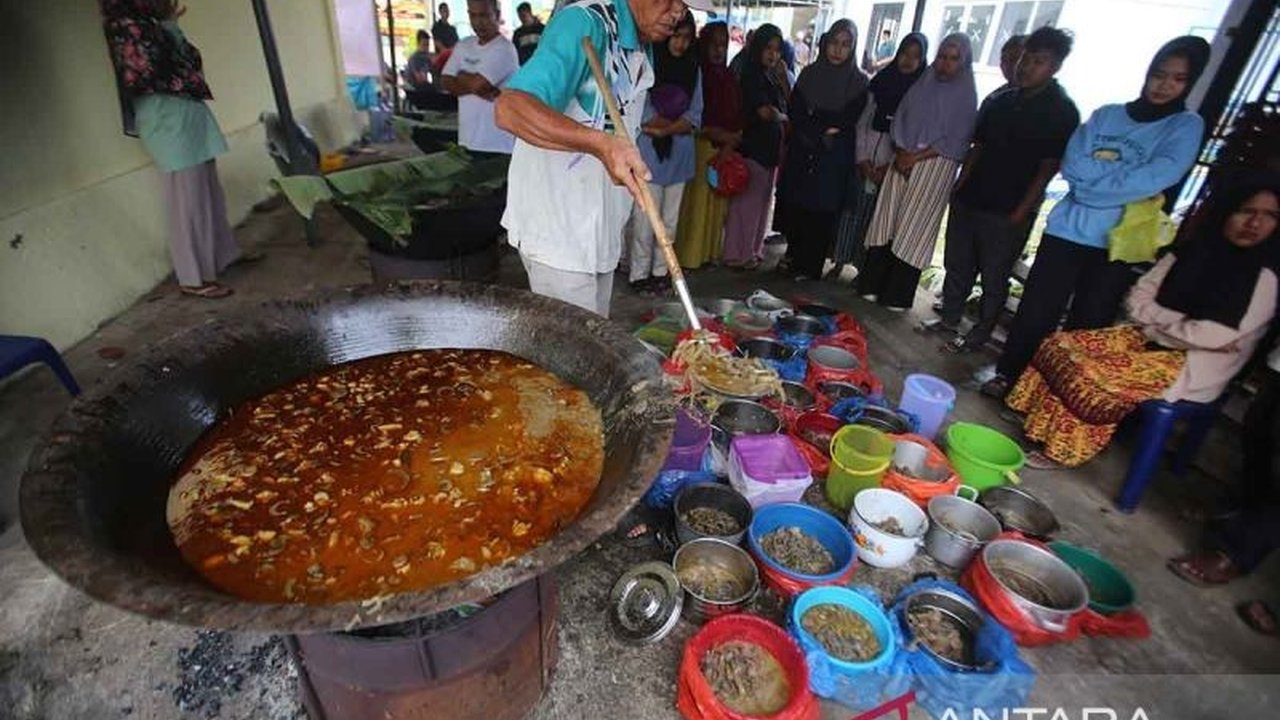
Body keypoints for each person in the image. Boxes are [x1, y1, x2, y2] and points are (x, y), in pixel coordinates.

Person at [979, 36, 1211, 398]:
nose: (1164, 85)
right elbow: (1073, 163)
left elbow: (1158, 176)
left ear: (1190, 83)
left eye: (1178, 79)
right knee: (1036, 312)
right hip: (1067, 230)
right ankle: (1010, 376)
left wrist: (1092, 188)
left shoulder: (1184, 126)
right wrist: (1111, 186)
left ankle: (1055, 396)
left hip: (1118, 242)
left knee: (1088, 323)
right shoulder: (1107, 115)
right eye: (1159, 74)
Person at [1004, 181, 1278, 472]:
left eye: (1270, 216)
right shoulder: (1190, 251)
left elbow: (1210, 336)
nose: (1255, 222)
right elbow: (1137, 298)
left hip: (1192, 363)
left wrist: (1157, 322)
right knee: (1058, 345)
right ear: (1226, 211)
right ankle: (1038, 425)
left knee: (1094, 375)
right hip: (1147, 337)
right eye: (1246, 211)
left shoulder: (1265, 278)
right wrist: (1175, 325)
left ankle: (1063, 450)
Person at [494, 0, 711, 317]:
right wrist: (600, 144)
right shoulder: (585, 24)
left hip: (600, 228)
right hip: (560, 231)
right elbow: (510, 109)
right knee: (577, 353)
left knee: (596, 340)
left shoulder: (640, 42)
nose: (678, 12)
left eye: (686, 4)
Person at [934, 27, 1080, 352]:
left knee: (993, 276)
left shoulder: (1061, 111)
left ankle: (979, 334)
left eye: (1038, 61)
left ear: (1054, 67)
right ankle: (949, 319)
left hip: (1008, 209)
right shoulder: (1001, 101)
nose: (1026, 66)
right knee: (958, 264)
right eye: (1026, 58)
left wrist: (1020, 212)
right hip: (972, 197)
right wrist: (959, 186)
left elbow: (1048, 168)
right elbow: (978, 147)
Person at [100, 0, 248, 299]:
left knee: (207, 191)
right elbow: (163, 69)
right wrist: (168, 26)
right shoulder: (125, 27)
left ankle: (221, 256)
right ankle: (193, 277)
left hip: (185, 114)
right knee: (186, 199)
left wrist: (169, 26)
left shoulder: (152, 26)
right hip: (167, 118)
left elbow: (190, 60)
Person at [857, 33, 977, 311]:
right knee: (887, 221)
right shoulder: (923, 85)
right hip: (901, 159)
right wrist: (901, 152)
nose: (945, 64)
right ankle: (872, 284)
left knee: (914, 228)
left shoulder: (966, 96)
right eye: (942, 57)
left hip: (935, 166)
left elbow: (957, 138)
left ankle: (896, 296)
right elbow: (902, 118)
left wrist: (916, 157)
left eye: (953, 59)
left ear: (963, 62)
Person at [776, 19, 868, 281]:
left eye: (845, 45)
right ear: (825, 43)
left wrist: (816, 122)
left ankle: (810, 266)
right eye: (834, 43)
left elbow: (847, 119)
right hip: (804, 150)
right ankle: (792, 256)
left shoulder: (858, 82)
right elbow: (796, 110)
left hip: (832, 158)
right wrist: (819, 129)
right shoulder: (809, 74)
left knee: (822, 210)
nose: (838, 50)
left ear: (853, 48)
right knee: (797, 205)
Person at [831, 32, 928, 280]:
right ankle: (839, 262)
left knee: (876, 221)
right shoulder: (879, 83)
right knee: (851, 213)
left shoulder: (920, 94)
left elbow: (913, 137)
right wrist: (863, 160)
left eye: (916, 57)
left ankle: (864, 272)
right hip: (864, 161)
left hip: (892, 168)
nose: (908, 61)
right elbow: (862, 124)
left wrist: (888, 167)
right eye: (905, 54)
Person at [626, 11, 701, 292]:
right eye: (677, 36)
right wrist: (660, 126)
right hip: (648, 155)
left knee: (669, 223)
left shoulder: (693, 69)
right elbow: (639, 113)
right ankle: (638, 274)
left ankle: (661, 272)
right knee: (645, 221)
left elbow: (695, 114)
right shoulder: (647, 64)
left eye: (686, 38)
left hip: (679, 156)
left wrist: (666, 129)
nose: (680, 44)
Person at [673, 21, 742, 270]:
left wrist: (732, 141)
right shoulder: (696, 72)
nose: (718, 50)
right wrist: (722, 137)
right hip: (702, 146)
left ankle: (707, 256)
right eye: (713, 44)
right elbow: (696, 117)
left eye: (723, 45)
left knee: (715, 206)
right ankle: (689, 258)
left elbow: (736, 113)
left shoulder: (727, 76)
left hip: (724, 149)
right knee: (697, 208)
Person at [722, 24, 787, 270]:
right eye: (768, 48)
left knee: (761, 204)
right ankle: (738, 253)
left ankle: (752, 250)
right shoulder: (751, 74)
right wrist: (781, 117)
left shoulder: (771, 75)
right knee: (746, 205)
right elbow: (763, 112)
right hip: (754, 147)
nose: (773, 54)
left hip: (768, 150)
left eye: (777, 50)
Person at [442, 0, 519, 154]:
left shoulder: (504, 49)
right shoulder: (464, 45)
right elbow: (445, 81)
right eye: (473, 16)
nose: (478, 22)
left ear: (496, 15)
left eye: (484, 15)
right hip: (466, 142)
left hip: (498, 145)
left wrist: (461, 75)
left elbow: (478, 84)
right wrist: (478, 86)